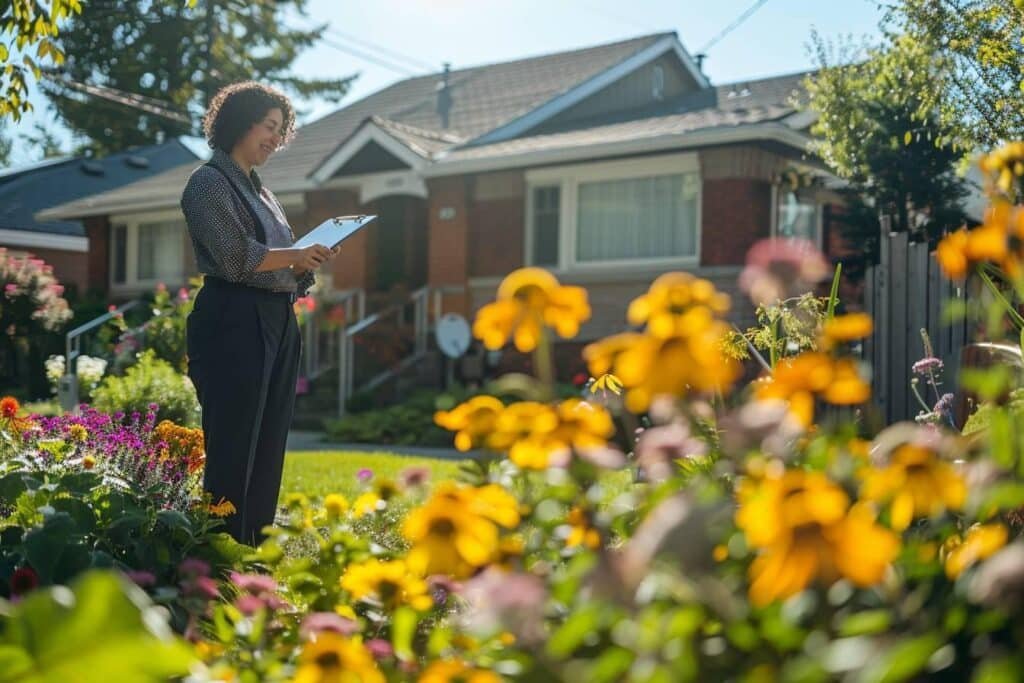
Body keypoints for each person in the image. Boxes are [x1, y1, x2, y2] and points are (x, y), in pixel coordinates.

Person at [181, 81, 338, 544]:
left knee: (269, 441)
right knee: (234, 441)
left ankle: (254, 548)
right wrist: (293, 254)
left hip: (276, 318)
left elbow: (276, 256)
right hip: (234, 319)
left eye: (281, 131)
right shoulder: (208, 182)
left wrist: (304, 259)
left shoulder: (262, 192)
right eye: (269, 127)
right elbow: (234, 257)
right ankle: (218, 550)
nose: (275, 138)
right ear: (240, 122)